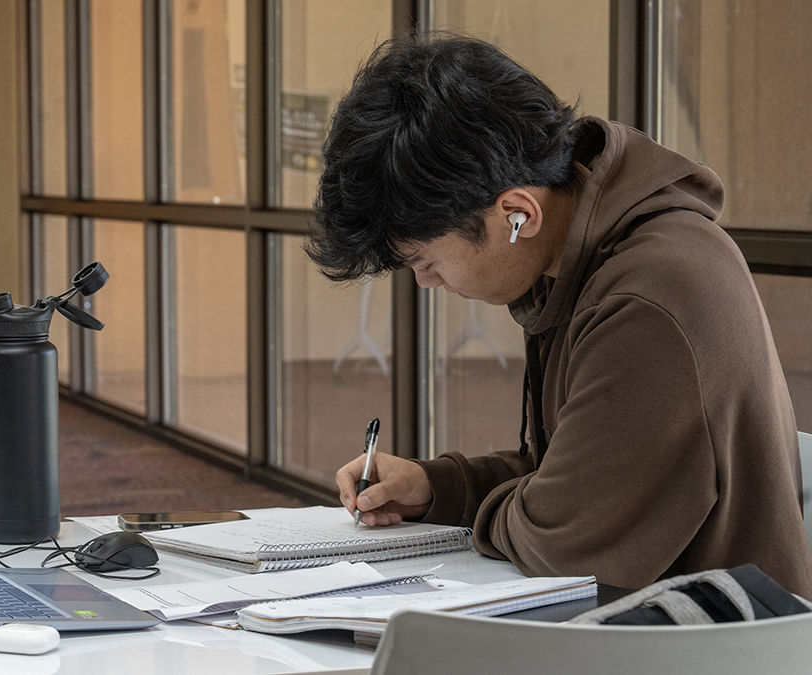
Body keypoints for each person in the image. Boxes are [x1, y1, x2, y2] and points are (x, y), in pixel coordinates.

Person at [311, 33, 812, 596]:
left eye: (426, 262)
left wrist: (519, 509)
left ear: (517, 214)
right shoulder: (580, 266)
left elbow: (566, 539)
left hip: (710, 645)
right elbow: (568, 479)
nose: (428, 284)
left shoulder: (650, 298)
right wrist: (438, 488)